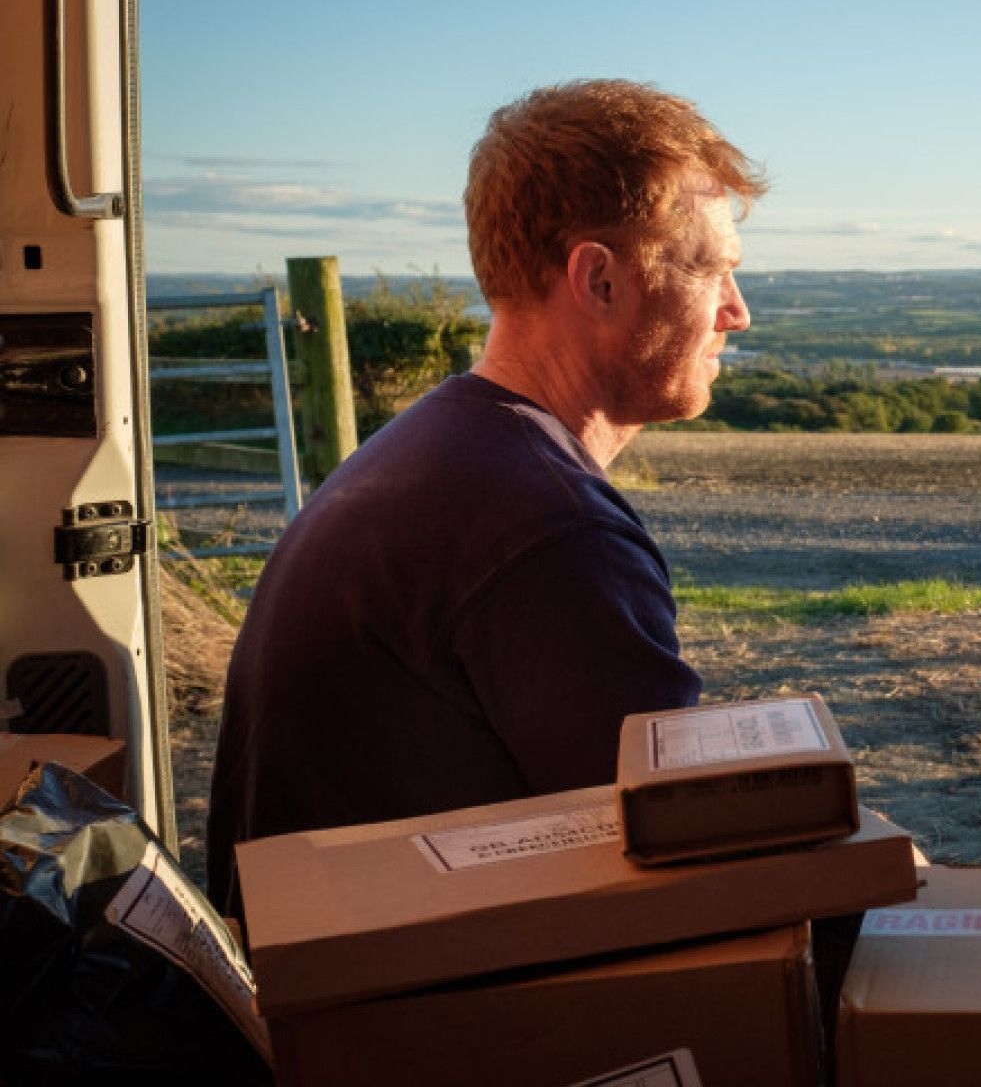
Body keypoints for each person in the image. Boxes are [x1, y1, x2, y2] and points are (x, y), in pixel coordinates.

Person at [205, 80, 765, 916]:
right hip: (410, 1023)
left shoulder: (444, 450)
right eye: (713, 268)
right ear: (599, 280)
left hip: (334, 987)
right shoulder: (549, 529)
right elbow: (692, 866)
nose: (737, 312)